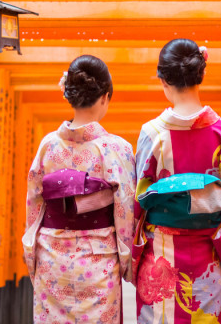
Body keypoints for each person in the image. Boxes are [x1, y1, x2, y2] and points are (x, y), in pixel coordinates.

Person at [132, 39, 221, 324]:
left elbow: (137, 203)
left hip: (160, 260)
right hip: (208, 259)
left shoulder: (152, 134)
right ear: (201, 74)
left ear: (163, 80)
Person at [22, 55, 136, 324]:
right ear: (105, 97)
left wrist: (32, 256)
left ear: (68, 94)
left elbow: (34, 205)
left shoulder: (47, 145)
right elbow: (125, 211)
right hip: (98, 261)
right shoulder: (116, 148)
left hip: (51, 257)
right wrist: (127, 262)